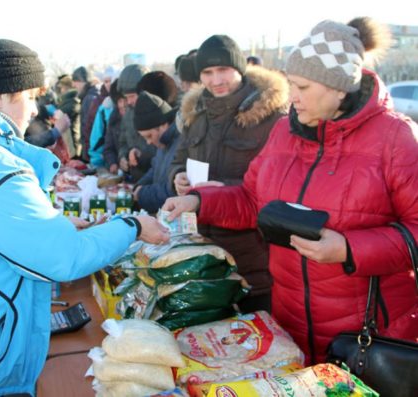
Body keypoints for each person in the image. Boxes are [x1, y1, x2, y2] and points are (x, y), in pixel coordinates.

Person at [0, 39, 169, 396]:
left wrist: (49, 225)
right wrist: (132, 226)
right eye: (31, 96)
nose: (34, 110)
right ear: (2, 96)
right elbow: (64, 258)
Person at [163, 18, 418, 365]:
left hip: (364, 337)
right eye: (290, 84)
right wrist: (198, 200)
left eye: (302, 86)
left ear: (339, 87)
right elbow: (253, 200)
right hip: (289, 329)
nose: (292, 96)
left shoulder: (395, 139)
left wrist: (348, 249)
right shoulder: (285, 132)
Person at [169, 34, 289, 313]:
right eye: (208, 73)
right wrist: (176, 177)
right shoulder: (195, 114)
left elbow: (277, 184)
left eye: (223, 70)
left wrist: (226, 189)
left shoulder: (271, 117)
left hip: (253, 257)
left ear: (239, 68)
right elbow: (179, 158)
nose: (216, 80)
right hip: (204, 251)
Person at [132, 91, 180, 213]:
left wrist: (142, 194)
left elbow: (173, 191)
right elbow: (154, 169)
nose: (148, 142)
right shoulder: (162, 142)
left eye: (149, 136)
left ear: (163, 126)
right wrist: (139, 186)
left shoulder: (181, 144)